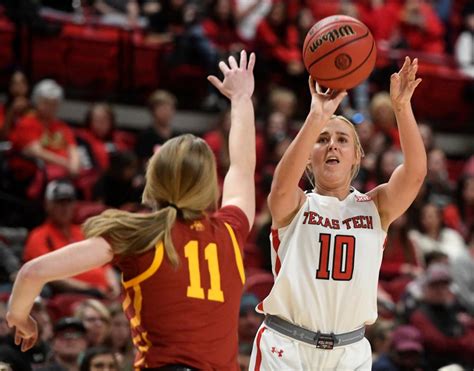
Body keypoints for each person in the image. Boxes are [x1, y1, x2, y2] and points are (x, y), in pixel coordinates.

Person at [7, 50, 256, 370]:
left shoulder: (139, 233)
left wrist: (18, 316)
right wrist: (241, 99)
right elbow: (242, 166)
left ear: (153, 177)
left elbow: (32, 272)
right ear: (211, 186)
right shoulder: (231, 231)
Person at [249, 56, 426, 370]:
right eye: (322, 140)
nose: (332, 146)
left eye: (342, 140)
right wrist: (317, 116)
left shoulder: (376, 207)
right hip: (286, 348)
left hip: (349, 351)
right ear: (307, 157)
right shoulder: (296, 204)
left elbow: (415, 173)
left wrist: (401, 106)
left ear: (357, 155)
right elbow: (279, 187)